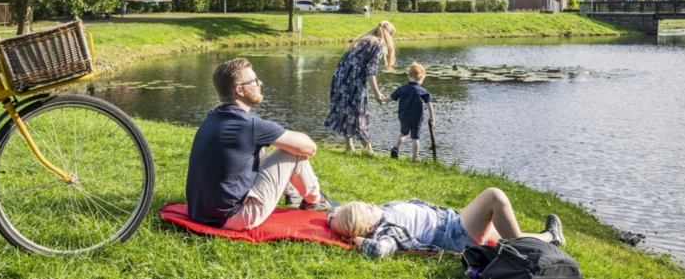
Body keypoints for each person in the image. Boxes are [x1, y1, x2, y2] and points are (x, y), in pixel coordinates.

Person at [186, 58, 338, 231]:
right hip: (231, 218)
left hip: (199, 211)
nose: (260, 83)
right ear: (239, 90)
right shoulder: (249, 125)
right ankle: (315, 201)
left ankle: (293, 195)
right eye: (254, 81)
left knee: (262, 147)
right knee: (293, 152)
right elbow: (310, 148)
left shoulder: (212, 116)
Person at [328, 188, 565, 258]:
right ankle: (522, 253)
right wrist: (358, 241)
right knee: (494, 197)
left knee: (509, 237)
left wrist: (335, 217)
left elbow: (334, 213)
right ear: (369, 228)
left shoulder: (378, 216)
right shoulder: (386, 231)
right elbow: (380, 250)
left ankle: (551, 237)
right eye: (366, 209)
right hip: (455, 234)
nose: (370, 203)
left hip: (454, 221)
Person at [324, 21, 396, 153]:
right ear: (389, 36)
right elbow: (370, 70)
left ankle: (349, 147)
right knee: (359, 111)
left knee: (346, 110)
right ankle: (369, 150)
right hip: (353, 78)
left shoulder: (364, 40)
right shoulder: (379, 44)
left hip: (340, 75)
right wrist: (377, 92)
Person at [383, 62, 434, 162]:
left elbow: (391, 97)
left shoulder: (402, 89)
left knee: (402, 133)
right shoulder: (422, 91)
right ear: (420, 77)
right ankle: (414, 159)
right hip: (416, 119)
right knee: (415, 138)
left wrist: (382, 99)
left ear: (408, 76)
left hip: (404, 117)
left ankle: (395, 148)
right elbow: (429, 103)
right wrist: (432, 117)